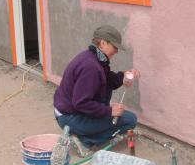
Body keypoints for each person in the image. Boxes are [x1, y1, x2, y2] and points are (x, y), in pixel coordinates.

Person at [53, 25, 140, 155]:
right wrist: (110, 110)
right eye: (115, 47)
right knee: (129, 121)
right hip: (70, 117)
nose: (116, 51)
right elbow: (81, 103)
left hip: (69, 112)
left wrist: (124, 76)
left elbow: (107, 79)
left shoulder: (95, 58)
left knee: (123, 118)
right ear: (103, 43)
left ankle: (82, 135)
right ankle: (84, 140)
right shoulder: (91, 67)